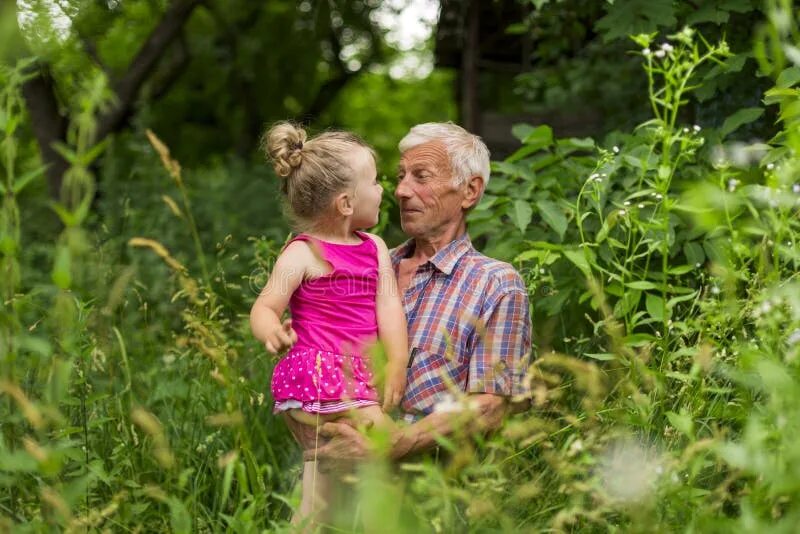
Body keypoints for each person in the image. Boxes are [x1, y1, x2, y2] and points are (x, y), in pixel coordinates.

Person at [291, 122, 532, 466]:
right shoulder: (363, 267)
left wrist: (397, 444)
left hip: (432, 496)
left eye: (421, 176)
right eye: (401, 176)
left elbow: (490, 407)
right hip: (336, 476)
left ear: (469, 191)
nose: (401, 190)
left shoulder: (496, 284)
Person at [249, 122, 409, 526]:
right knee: (390, 456)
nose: (383, 189)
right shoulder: (302, 254)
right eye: (374, 182)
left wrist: (397, 361)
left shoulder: (374, 247)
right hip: (320, 376)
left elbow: (389, 307)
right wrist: (271, 330)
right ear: (345, 204)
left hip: (355, 377)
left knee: (324, 495)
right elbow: (265, 306)